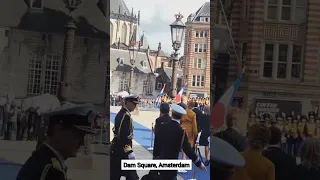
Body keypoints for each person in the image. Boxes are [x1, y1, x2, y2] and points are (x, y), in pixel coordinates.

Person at [16, 103, 96, 180]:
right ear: (58, 131)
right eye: (78, 135)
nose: (82, 143)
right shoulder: (51, 170)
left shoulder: (43, 158)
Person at [153, 104, 205, 179]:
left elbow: (156, 143)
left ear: (172, 113)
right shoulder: (180, 131)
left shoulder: (162, 126)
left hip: (160, 162)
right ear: (182, 116)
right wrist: (198, 163)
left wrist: (155, 159)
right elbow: (187, 149)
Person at [110, 95, 140, 180]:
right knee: (131, 176)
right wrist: (129, 151)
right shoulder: (125, 116)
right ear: (127, 103)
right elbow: (123, 136)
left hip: (118, 149)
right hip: (121, 150)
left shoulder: (123, 114)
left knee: (115, 174)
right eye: (133, 104)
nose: (135, 106)